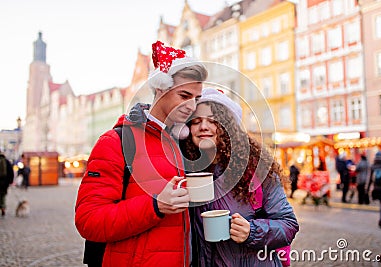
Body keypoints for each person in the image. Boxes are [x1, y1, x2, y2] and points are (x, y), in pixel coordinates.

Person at [75, 41, 208, 267]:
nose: (191, 106)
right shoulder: (116, 141)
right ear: (161, 88)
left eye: (196, 98)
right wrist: (155, 206)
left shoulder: (179, 143)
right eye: (184, 95)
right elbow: (88, 220)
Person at [180, 88, 299, 266]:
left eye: (213, 120)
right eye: (196, 121)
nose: (203, 126)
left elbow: (288, 224)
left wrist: (251, 232)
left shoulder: (255, 169)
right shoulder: (185, 171)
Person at [0, 152, 15, 216]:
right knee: (3, 196)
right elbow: (11, 172)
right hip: (4, 183)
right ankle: (3, 208)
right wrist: (10, 181)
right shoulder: (6, 161)